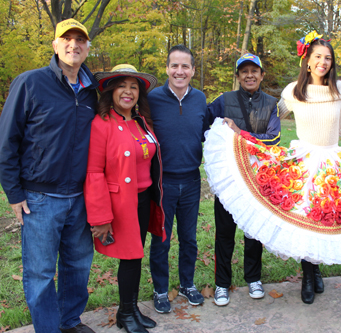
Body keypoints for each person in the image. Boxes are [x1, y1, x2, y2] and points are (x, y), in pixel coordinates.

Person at [203, 31, 341, 305]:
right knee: (306, 217)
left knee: (325, 216)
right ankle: (307, 277)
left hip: (332, 161)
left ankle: (315, 271)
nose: (323, 62)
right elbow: (275, 117)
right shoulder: (293, 92)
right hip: (305, 161)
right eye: (317, 57)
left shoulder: (339, 91)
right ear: (307, 61)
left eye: (328, 58)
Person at [0, 19, 97, 332]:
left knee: (78, 266)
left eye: (79, 40)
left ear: (87, 48)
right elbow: (7, 141)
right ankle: (47, 328)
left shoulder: (93, 90)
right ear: (55, 46)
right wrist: (14, 193)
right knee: (40, 272)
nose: (73, 45)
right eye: (66, 39)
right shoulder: (30, 83)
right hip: (40, 198)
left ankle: (70, 321)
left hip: (81, 197)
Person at [84, 64, 165, 332]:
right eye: (122, 86)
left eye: (134, 87)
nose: (128, 92)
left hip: (144, 200)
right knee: (130, 258)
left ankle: (128, 310)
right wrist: (101, 217)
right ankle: (127, 314)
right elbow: (94, 172)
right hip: (121, 205)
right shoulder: (102, 124)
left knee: (135, 256)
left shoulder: (141, 121)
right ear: (111, 91)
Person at [207, 53, 281, 306]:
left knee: (253, 232)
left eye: (254, 71)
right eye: (244, 71)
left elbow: (273, 139)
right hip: (228, 181)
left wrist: (241, 134)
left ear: (261, 75)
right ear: (237, 76)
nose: (249, 75)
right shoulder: (222, 101)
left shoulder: (272, 104)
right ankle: (221, 284)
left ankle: (254, 278)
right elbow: (204, 127)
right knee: (225, 234)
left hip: (257, 180)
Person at [147, 45, 208, 313]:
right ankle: (160, 289)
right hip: (162, 182)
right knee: (161, 238)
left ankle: (187, 284)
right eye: (175, 65)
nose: (179, 71)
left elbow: (209, 131)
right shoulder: (152, 99)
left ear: (193, 70)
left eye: (185, 66)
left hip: (192, 180)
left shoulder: (200, 99)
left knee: (189, 238)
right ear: (167, 68)